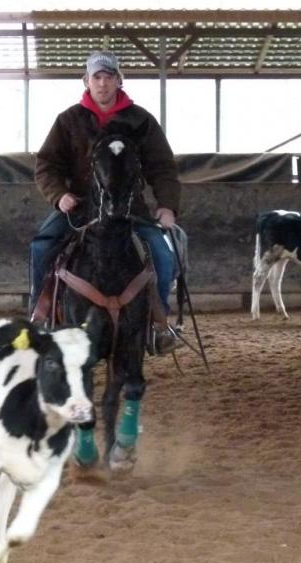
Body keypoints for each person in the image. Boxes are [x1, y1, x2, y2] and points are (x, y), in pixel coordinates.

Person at [30, 50, 182, 354]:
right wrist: (59, 195)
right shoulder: (69, 120)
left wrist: (166, 205)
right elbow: (47, 165)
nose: (102, 83)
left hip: (130, 208)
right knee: (42, 247)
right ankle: (40, 316)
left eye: (108, 77)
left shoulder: (141, 121)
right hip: (81, 206)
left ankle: (158, 325)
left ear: (119, 80)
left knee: (164, 258)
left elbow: (162, 166)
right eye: (96, 77)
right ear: (86, 81)